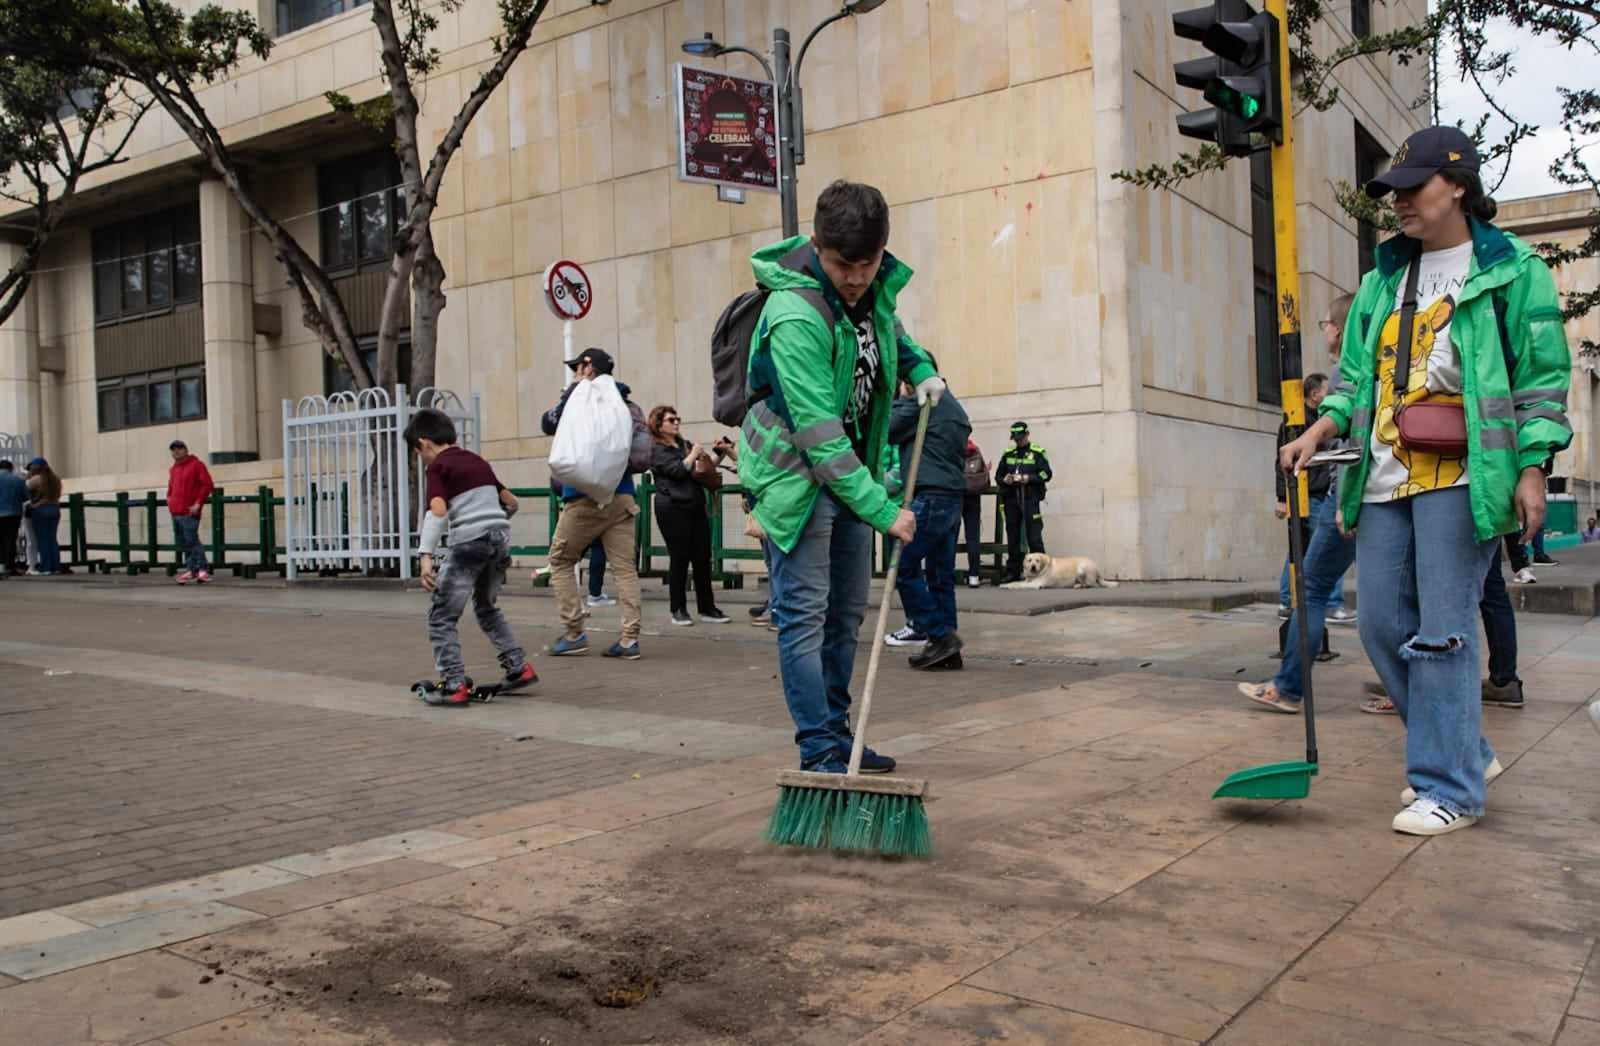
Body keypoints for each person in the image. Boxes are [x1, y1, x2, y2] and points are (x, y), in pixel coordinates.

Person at [1280, 125, 1571, 836]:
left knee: (1443, 633)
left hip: (1466, 477)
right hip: (1381, 478)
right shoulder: (1384, 279)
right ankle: (1463, 747)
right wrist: (1322, 426)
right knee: (1381, 626)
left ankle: (1449, 787)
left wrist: (1532, 467)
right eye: (1394, 191)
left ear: (1459, 187)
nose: (1400, 202)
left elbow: (1540, 383)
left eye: (1415, 187)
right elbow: (1352, 380)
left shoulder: (1513, 271)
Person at [738, 179, 942, 774]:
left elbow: (888, 336)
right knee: (804, 615)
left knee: (846, 613)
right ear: (818, 248)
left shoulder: (873, 290)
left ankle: (837, 729)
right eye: (842, 265)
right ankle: (817, 746)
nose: (855, 278)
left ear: (883, 252)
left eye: (867, 264)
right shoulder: (794, 313)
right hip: (798, 480)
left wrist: (921, 367)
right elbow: (818, 434)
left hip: (851, 472)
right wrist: (884, 510)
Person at [1239, 374, 1356, 716]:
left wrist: (1343, 498)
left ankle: (1288, 688)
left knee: (1313, 586)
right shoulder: (1295, 415)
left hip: (1350, 495)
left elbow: (1351, 439)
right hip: (1352, 495)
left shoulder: (1351, 367)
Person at [406, 408, 537, 707]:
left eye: (418, 452)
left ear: (424, 443)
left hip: (470, 544)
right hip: (499, 541)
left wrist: (425, 556)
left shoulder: (438, 466)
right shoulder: (477, 461)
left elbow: (437, 511)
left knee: (442, 616)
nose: (422, 458)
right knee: (486, 607)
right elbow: (511, 501)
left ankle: (453, 684)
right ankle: (518, 667)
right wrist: (495, 524)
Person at [541, 347, 644, 660]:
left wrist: (571, 391)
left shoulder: (579, 397)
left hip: (584, 498)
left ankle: (574, 632)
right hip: (622, 494)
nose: (574, 372)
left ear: (587, 367)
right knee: (625, 569)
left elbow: (548, 423)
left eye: (578, 367)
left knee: (560, 561)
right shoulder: (626, 404)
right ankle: (629, 639)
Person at [884, 375, 972, 669]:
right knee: (940, 574)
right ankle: (946, 650)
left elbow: (888, 429)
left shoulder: (921, 402)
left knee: (903, 565)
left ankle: (939, 634)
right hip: (951, 497)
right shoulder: (955, 407)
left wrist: (900, 397)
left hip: (930, 496)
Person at [647, 404, 732, 626]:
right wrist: (693, 454)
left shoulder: (683, 445)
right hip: (672, 507)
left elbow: (702, 471)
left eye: (677, 419)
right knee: (680, 557)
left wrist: (720, 453)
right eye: (671, 420)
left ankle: (707, 608)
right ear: (658, 425)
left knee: (703, 557)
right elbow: (676, 471)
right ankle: (678, 609)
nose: (676, 423)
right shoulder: (655, 449)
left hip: (695, 504)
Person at [1273, 373, 1336, 619]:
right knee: (1323, 543)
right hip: (1305, 493)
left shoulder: (1322, 420)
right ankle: (1328, 601)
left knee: (1302, 546)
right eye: (1325, 390)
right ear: (1314, 395)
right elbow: (1281, 459)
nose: (1329, 393)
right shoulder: (1294, 420)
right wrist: (1282, 497)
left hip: (1320, 491)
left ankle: (1288, 599)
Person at [995, 422, 1051, 583]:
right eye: (1015, 439)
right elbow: (998, 476)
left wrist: (1028, 478)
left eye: (1020, 438)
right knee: (1013, 536)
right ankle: (1013, 571)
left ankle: (1043, 572)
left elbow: (1046, 474)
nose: (1018, 442)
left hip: (1030, 499)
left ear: (1027, 435)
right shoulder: (1008, 453)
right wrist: (1005, 479)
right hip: (1011, 499)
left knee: (1034, 536)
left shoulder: (1037, 453)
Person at [166, 440, 215, 585]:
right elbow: (170, 488)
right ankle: (191, 569)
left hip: (189, 512)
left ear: (186, 450)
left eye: (179, 448)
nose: (176, 451)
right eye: (173, 449)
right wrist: (169, 501)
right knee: (184, 543)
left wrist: (198, 503)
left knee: (192, 541)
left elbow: (207, 485)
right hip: (176, 512)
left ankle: (203, 570)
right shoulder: (173, 469)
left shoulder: (197, 465)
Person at [24, 458, 63, 575]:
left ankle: (46, 567)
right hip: (55, 509)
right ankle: (55, 566)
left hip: (41, 509)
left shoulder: (36, 479)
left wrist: (27, 476)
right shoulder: (56, 479)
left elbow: (25, 488)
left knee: (42, 539)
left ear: (35, 468)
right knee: (52, 539)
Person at [961, 437, 989, 588]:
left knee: (950, 535)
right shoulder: (975, 450)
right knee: (973, 537)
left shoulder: (951, 448)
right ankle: (974, 575)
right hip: (974, 496)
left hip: (956, 495)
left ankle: (947, 573)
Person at [0, 460, 25, 576]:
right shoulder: (18, 480)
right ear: (11, 468)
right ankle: (9, 566)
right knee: (10, 540)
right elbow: (25, 497)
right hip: (13, 514)